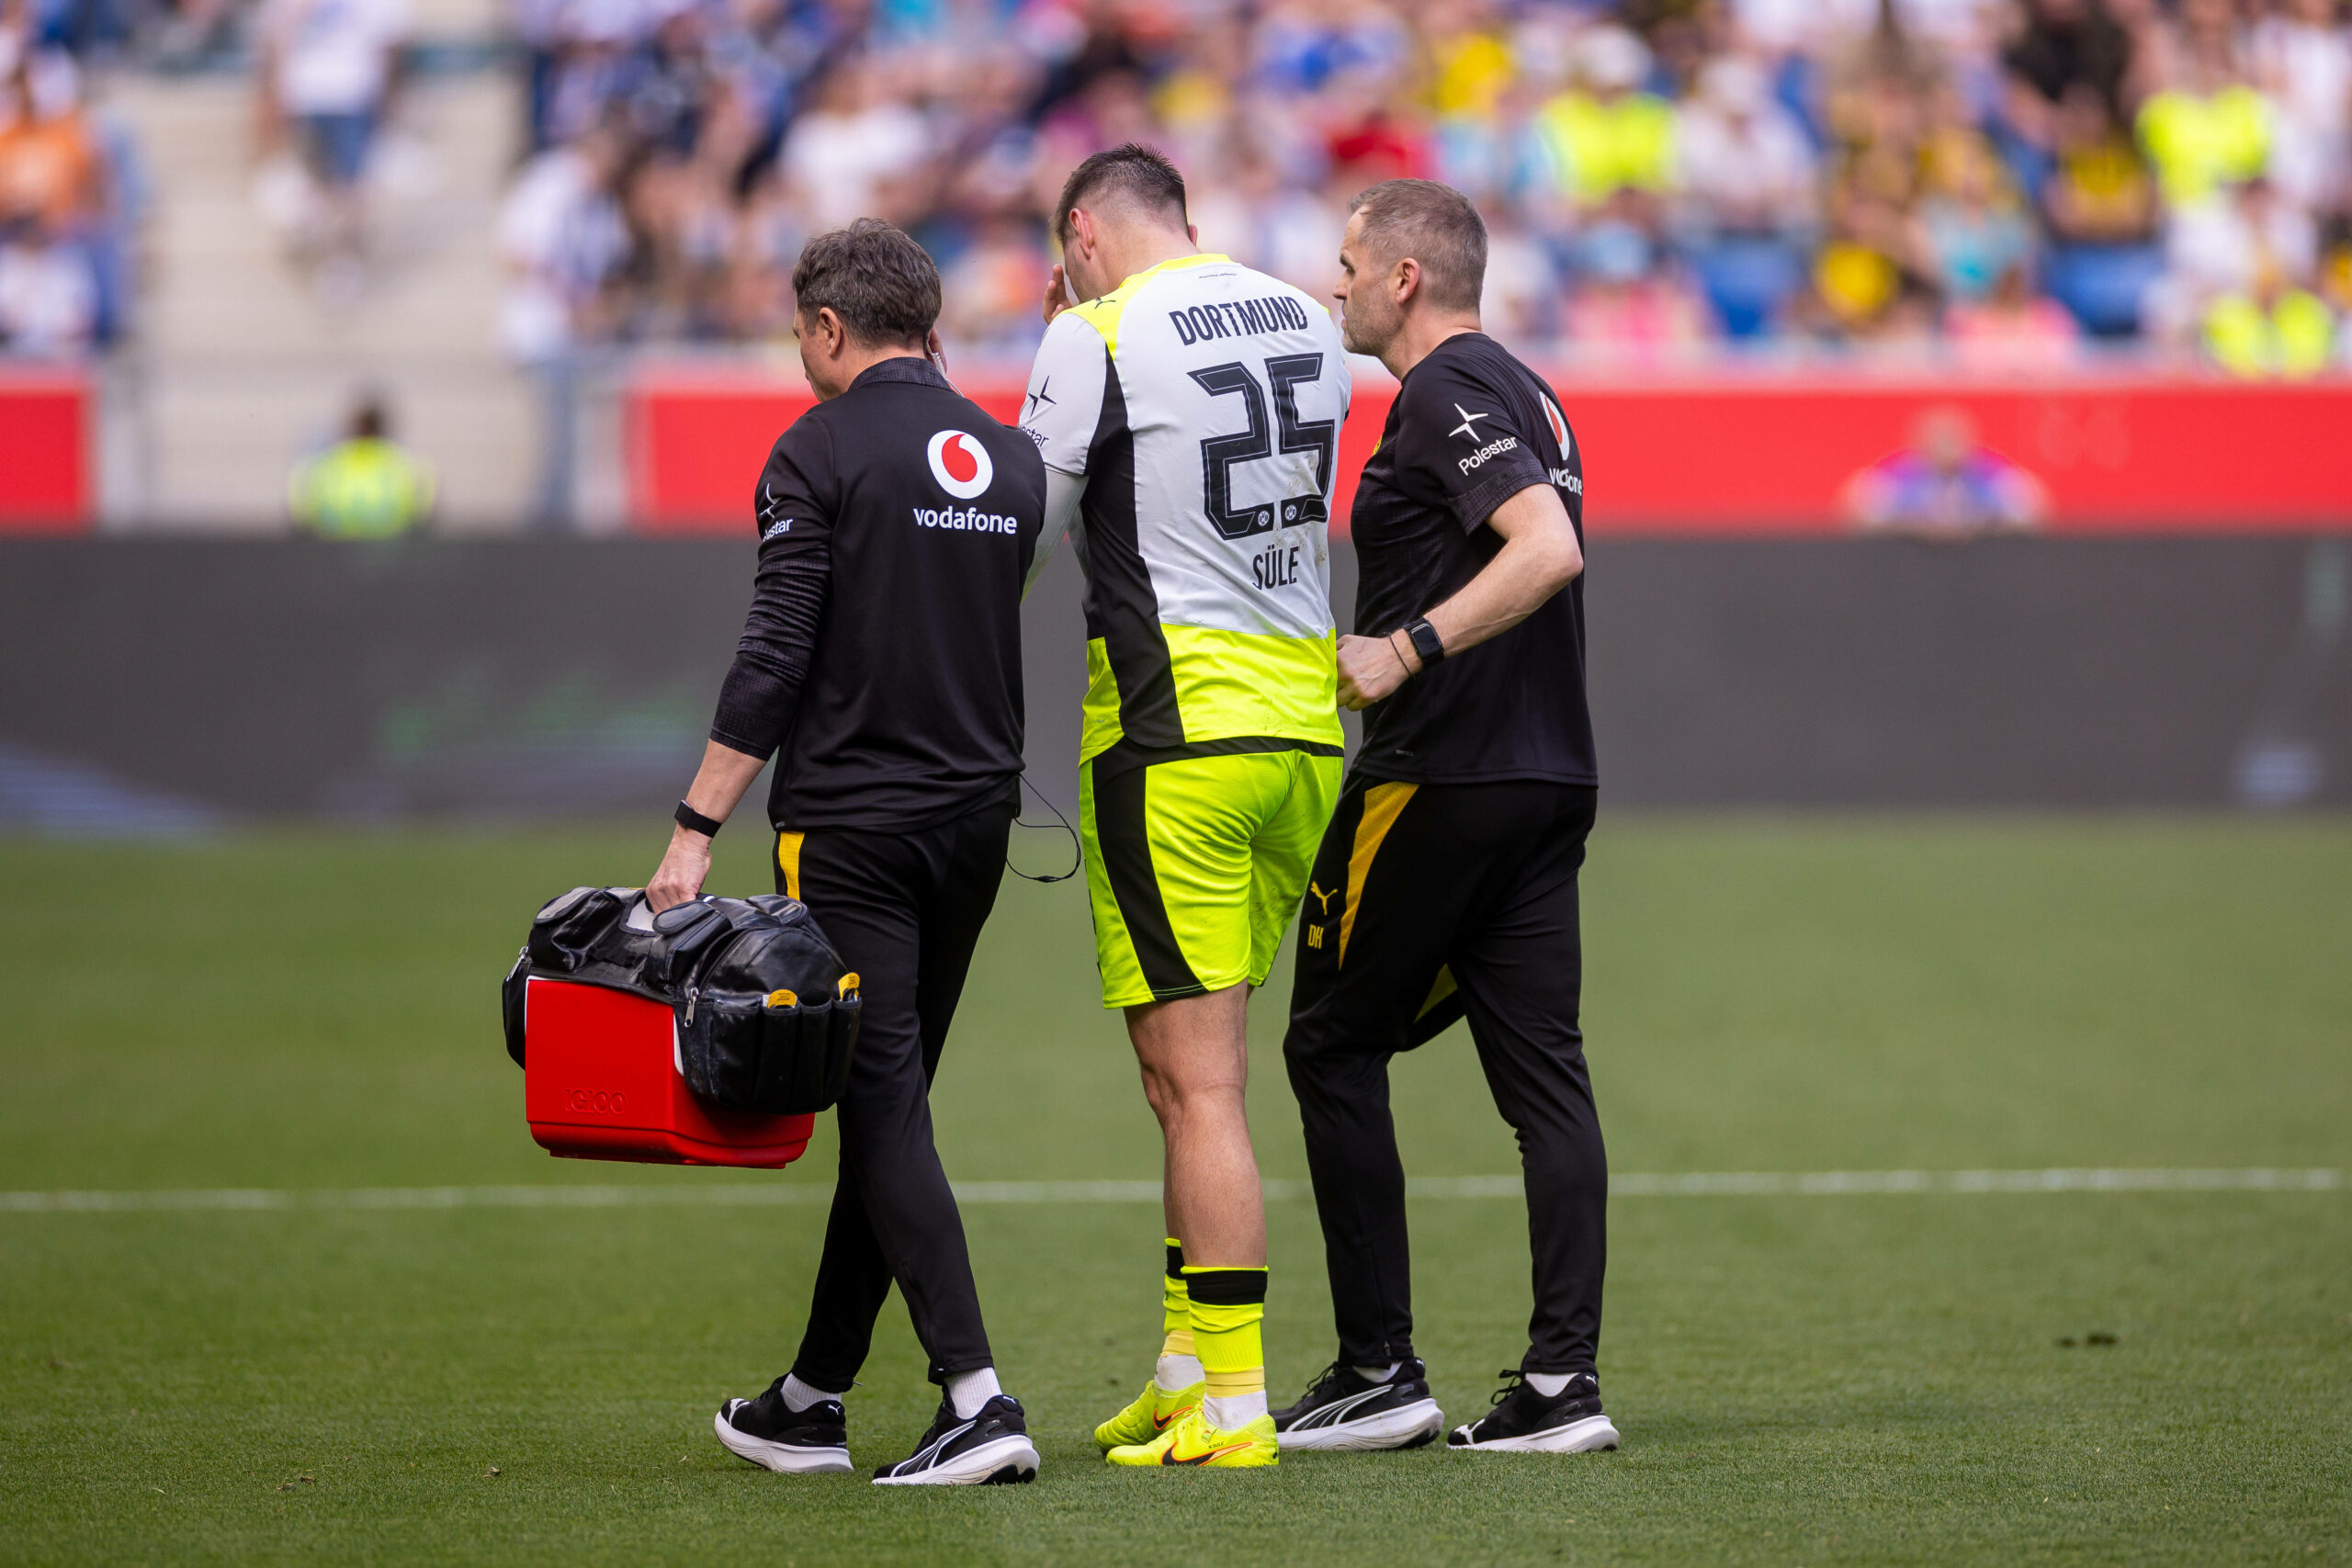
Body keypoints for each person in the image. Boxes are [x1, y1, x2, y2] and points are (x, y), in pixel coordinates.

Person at [643, 219, 1047, 1487]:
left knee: (881, 1107)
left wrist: (695, 827)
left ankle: (976, 1394)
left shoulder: (814, 450)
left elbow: (776, 653)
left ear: (827, 329)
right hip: (977, 825)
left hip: (857, 829)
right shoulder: (1016, 459)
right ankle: (809, 1397)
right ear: (927, 321)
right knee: (893, 1107)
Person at [1017, 143, 1352, 1470]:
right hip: (1303, 733)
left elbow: (1019, 528)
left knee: (1199, 1083)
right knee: (1183, 1074)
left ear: (1086, 231)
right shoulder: (1308, 315)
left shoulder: (1090, 332)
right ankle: (1181, 1364)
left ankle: (1234, 1405)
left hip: (1174, 738)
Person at [1272, 178, 1619, 1457]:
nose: (1338, 280)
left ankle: (1378, 1366)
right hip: (1546, 778)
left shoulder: (1443, 394)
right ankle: (1561, 1382)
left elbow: (1547, 548)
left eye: (1350, 260)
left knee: (1326, 1045)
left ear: (1407, 277)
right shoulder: (1529, 386)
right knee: (1545, 1080)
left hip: (1441, 774)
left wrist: (1405, 646)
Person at [287, 394, 434, 536]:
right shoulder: (402, 463)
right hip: (386, 548)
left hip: (336, 548)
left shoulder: (328, 463)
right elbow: (422, 510)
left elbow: (302, 508)